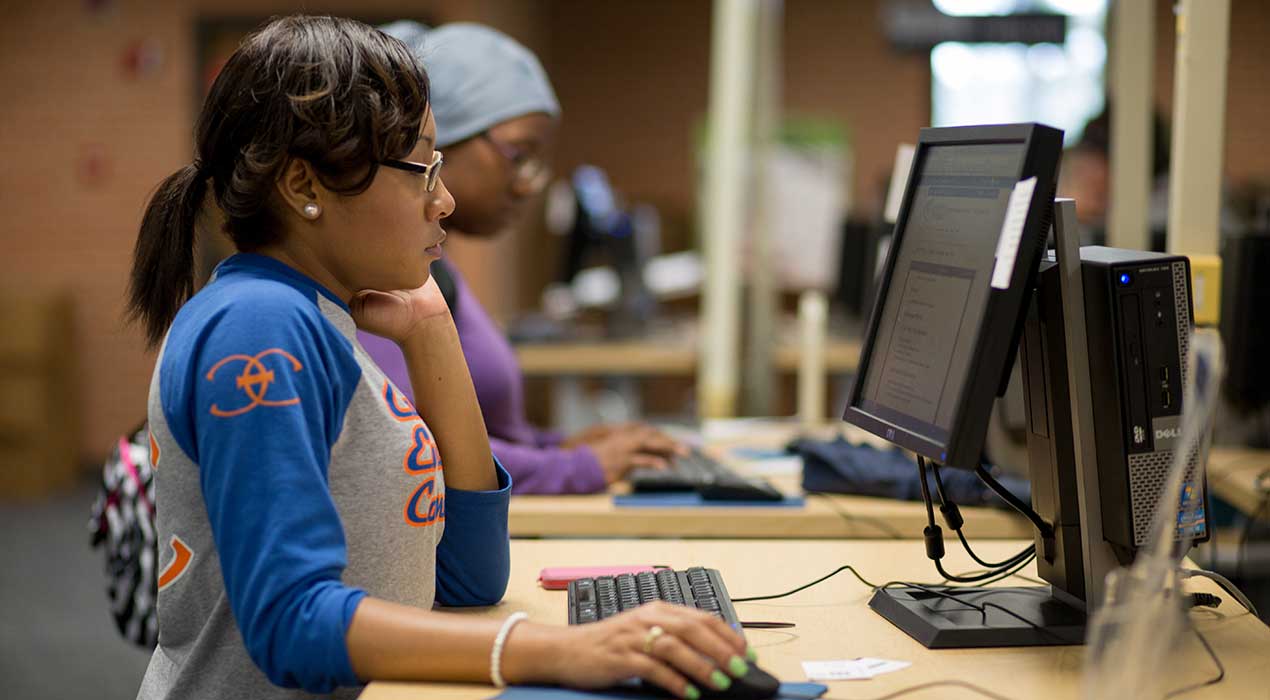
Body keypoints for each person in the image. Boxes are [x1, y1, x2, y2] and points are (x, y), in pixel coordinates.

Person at [127, 15, 752, 699]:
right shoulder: (257, 325)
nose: (444, 201)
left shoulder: (325, 320)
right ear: (304, 186)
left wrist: (432, 333)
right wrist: (555, 650)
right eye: (421, 170)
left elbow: (463, 579)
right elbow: (290, 623)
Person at [358, 21, 683, 494]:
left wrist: (555, 448)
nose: (530, 182)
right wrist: (576, 467)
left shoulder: (433, 268)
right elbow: (410, 442)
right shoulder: (377, 275)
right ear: (432, 142)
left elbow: (481, 432)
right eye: (519, 154)